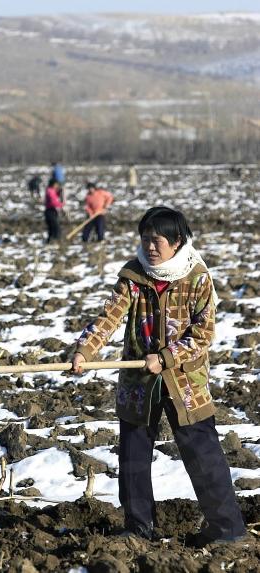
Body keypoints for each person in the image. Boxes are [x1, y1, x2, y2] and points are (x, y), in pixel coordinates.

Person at [72, 206, 246, 546]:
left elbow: (203, 334)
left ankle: (227, 530)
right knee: (133, 456)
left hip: (185, 383)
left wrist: (166, 358)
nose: (150, 247)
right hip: (138, 382)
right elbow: (109, 316)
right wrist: (84, 351)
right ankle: (138, 529)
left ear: (177, 241)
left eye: (157, 240)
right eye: (145, 239)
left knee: (203, 454)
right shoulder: (133, 276)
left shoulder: (196, 276)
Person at [44, 178, 64, 243]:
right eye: (56, 184)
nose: (57, 185)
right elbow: (53, 202)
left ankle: (50, 241)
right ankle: (55, 240)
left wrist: (59, 193)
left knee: (52, 228)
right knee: (55, 227)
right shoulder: (50, 191)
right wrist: (61, 204)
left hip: (52, 211)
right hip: (50, 211)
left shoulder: (52, 190)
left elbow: (55, 196)